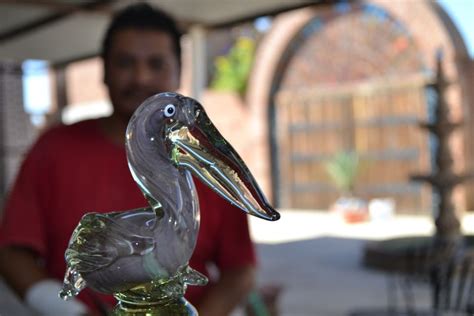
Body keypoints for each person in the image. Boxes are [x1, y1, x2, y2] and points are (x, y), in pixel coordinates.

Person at [0, 3, 256, 315]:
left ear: (177, 72)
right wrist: (68, 311)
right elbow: (12, 252)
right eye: (125, 63)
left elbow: (240, 268)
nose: (141, 77)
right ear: (104, 72)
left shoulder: (202, 161)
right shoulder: (53, 149)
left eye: (156, 63)